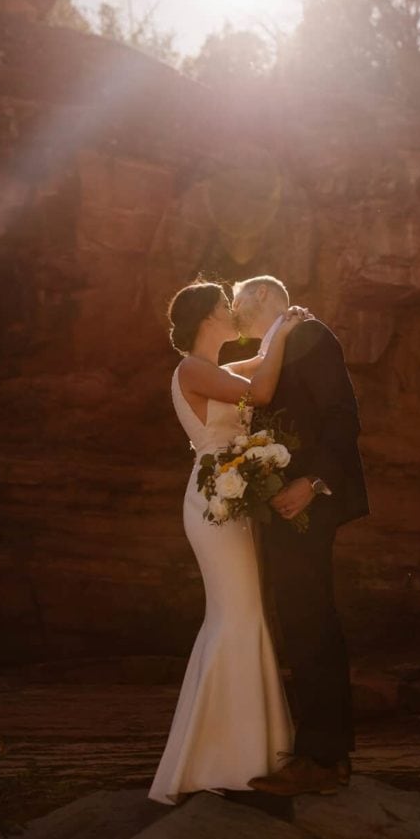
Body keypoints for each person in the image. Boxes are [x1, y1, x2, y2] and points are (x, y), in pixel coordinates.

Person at [148, 281, 306, 805]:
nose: (230, 311)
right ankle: (228, 761)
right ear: (204, 318)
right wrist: (283, 330)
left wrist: (283, 323)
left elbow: (261, 362)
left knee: (242, 614)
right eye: (223, 306)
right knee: (238, 616)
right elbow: (260, 391)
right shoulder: (191, 369)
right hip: (212, 501)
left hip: (226, 499)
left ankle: (239, 755)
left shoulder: (212, 369)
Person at [231, 275, 369, 797]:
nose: (236, 311)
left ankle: (324, 760)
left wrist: (312, 483)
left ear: (266, 295)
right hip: (282, 507)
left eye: (240, 301)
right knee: (299, 618)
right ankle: (320, 754)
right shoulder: (274, 345)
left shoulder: (310, 336)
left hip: (308, 500)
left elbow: (342, 415)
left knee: (311, 619)